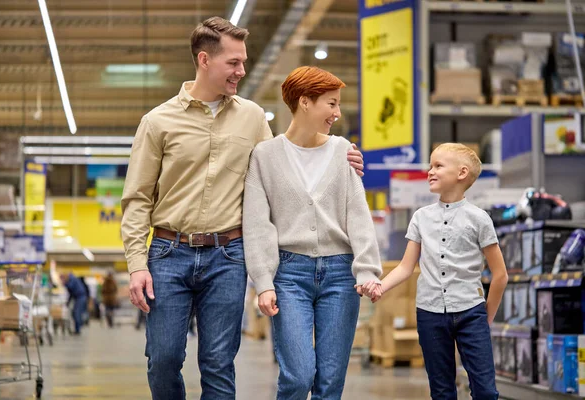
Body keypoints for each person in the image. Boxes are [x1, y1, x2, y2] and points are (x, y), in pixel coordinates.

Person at [120, 17, 365, 400]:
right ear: (204, 60)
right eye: (233, 62)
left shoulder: (251, 117)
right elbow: (137, 199)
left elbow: (285, 165)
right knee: (164, 358)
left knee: (219, 362)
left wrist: (341, 154)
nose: (242, 70)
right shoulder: (158, 122)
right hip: (168, 254)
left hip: (228, 256)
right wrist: (137, 264)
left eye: (243, 61)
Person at [242, 66, 382, 400]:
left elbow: (358, 214)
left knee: (331, 382)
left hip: (339, 274)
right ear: (305, 102)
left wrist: (367, 270)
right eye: (331, 104)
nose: (337, 112)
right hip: (289, 275)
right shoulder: (265, 155)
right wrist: (263, 282)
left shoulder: (341, 150)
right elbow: (258, 223)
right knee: (298, 374)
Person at [360, 143, 509, 400]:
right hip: (429, 313)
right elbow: (407, 267)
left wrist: (485, 318)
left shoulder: (479, 219)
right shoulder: (420, 217)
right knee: (441, 392)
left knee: (485, 391)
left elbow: (500, 275)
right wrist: (379, 287)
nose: (430, 171)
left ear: (462, 173)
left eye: (438, 165)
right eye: (430, 165)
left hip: (471, 312)